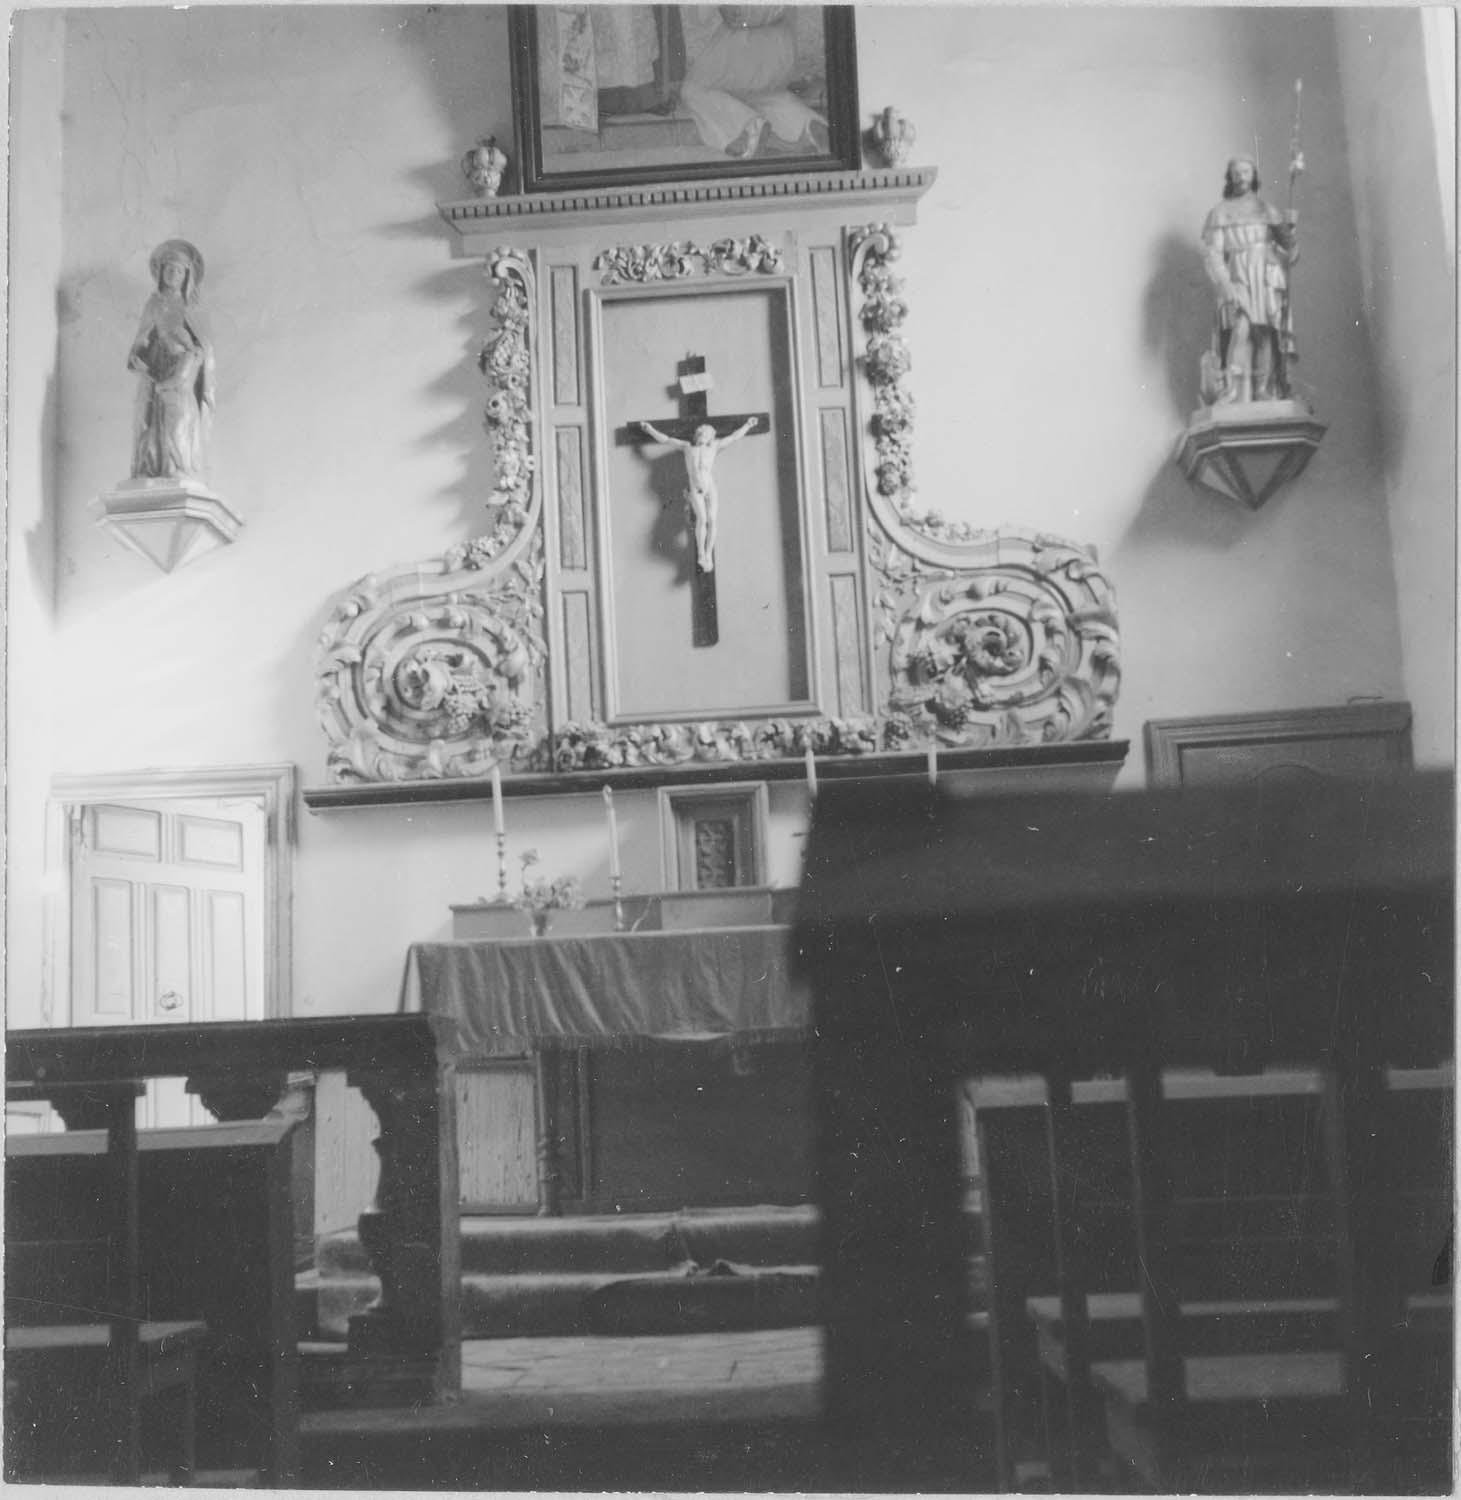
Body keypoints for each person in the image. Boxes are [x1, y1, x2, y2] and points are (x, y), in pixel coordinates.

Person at [1200, 156, 1298, 405]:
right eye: (1236, 173)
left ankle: (1262, 389)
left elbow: (1290, 251)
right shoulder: (1220, 213)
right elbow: (1214, 255)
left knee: (1264, 332)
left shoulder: (1267, 210)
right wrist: (1226, 285)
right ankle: (1231, 389)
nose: (1241, 177)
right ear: (1230, 177)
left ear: (1253, 176)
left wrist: (1290, 230)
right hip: (1239, 274)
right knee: (1241, 328)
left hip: (1266, 275)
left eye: (1245, 172)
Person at [678, 6, 828, 160]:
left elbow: (698, 18)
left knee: (693, 90)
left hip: (741, 44)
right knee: (764, 95)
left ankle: (750, 129)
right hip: (780, 45)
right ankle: (804, 123)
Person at [128, 240, 215, 480]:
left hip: (182, 371)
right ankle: (151, 467)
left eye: (178, 271)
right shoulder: (153, 304)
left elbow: (203, 346)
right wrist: (137, 356)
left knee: (177, 423)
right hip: (155, 367)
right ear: (161, 272)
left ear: (187, 276)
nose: (173, 275)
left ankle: (178, 468)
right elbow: (141, 338)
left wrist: (192, 357)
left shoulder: (191, 306)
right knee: (149, 422)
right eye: (169, 269)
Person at [635, 416, 760, 573]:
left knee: (712, 520)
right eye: (700, 433)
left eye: (705, 433)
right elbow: (666, 439)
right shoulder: (687, 447)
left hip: (710, 487)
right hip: (696, 488)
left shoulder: (714, 446)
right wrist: (650, 429)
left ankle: (708, 554)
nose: (701, 435)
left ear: (711, 436)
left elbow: (734, 437)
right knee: (702, 519)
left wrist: (748, 425)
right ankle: (701, 553)